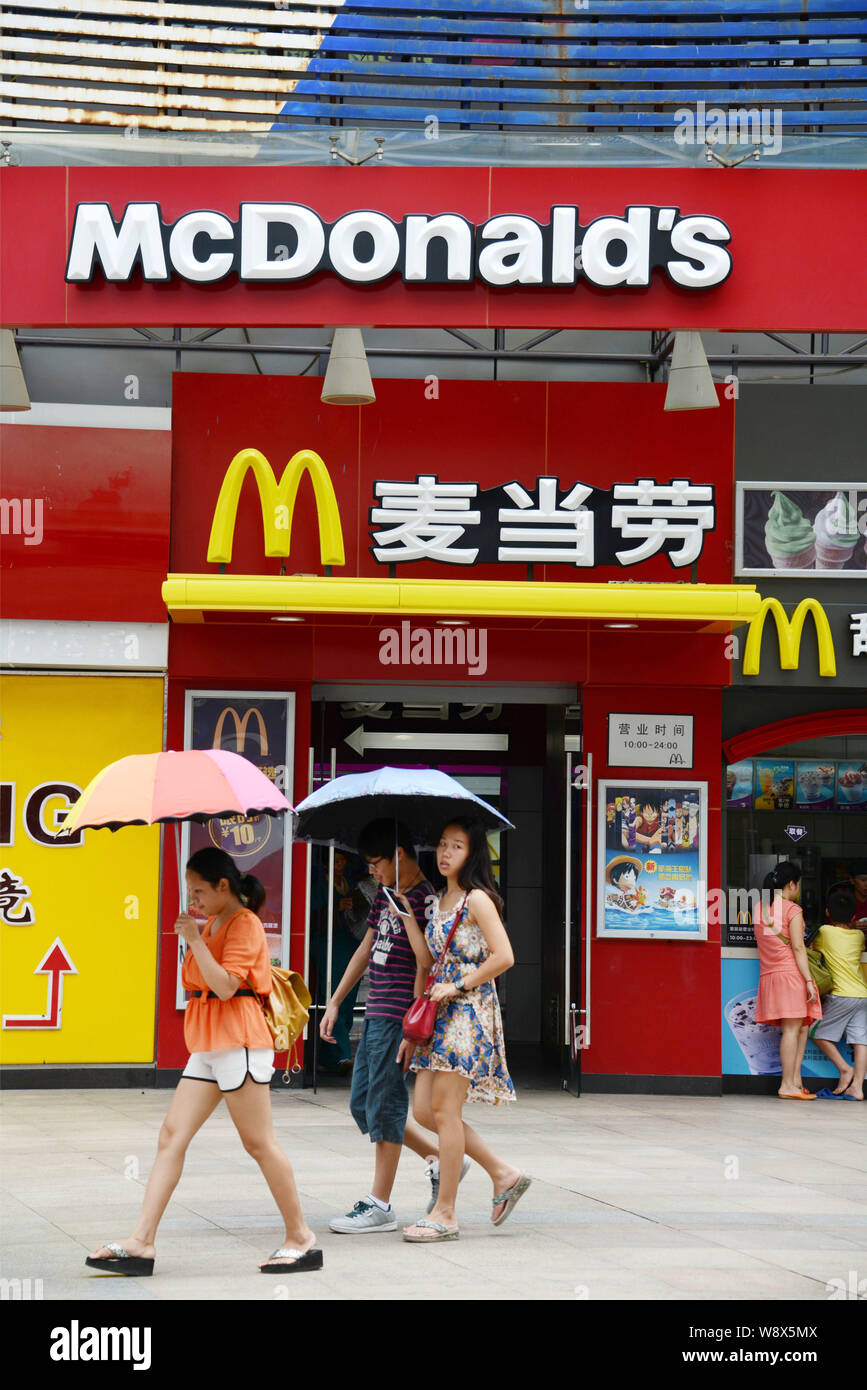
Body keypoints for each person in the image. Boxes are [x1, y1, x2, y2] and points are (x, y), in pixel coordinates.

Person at [86, 847, 321, 1276]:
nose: (192, 900)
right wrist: (197, 934)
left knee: (258, 1143)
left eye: (198, 891)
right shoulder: (211, 922)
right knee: (171, 1135)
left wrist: (193, 939)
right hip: (209, 1044)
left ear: (223, 887)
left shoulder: (245, 923)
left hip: (240, 1041)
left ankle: (301, 1237)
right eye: (189, 891)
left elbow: (227, 986)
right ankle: (141, 1242)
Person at [397, 817, 529, 1242]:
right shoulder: (439, 900)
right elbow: (427, 961)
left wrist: (459, 984)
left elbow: (505, 955)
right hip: (437, 1015)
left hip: (468, 1013)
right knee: (423, 1111)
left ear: (471, 854)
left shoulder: (477, 900)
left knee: (445, 1112)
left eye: (456, 845)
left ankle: (446, 1212)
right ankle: (503, 1172)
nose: (445, 852)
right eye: (441, 844)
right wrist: (409, 919)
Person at [321, 820, 456, 1232]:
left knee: (386, 1104)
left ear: (397, 856)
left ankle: (379, 1203)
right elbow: (366, 947)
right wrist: (336, 1000)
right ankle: (441, 1158)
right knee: (362, 1104)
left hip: (399, 1015)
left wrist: (414, 1027)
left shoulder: (426, 899)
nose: (372, 872)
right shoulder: (384, 894)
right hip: (375, 1010)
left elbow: (427, 963)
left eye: (376, 863)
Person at [753, 860, 822, 1101]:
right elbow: (799, 948)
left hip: (770, 975)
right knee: (793, 1030)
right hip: (790, 975)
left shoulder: (760, 908)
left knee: (800, 1027)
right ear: (792, 884)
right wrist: (809, 981)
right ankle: (786, 1085)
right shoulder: (793, 910)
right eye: (798, 884)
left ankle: (795, 1081)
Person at [311, 849, 370, 1074]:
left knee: (348, 997)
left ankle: (339, 1051)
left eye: (342, 860)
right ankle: (337, 1055)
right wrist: (336, 907)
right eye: (335, 861)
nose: (340, 865)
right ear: (325, 864)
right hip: (328, 944)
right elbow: (313, 915)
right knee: (334, 994)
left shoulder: (348, 883)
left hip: (349, 944)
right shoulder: (320, 885)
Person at [812, 886, 867, 1101]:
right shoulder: (857, 936)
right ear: (854, 916)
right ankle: (857, 1087)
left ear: (827, 912)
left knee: (816, 1033)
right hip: (862, 995)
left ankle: (845, 1069)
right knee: (860, 1040)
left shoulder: (825, 932)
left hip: (840, 994)